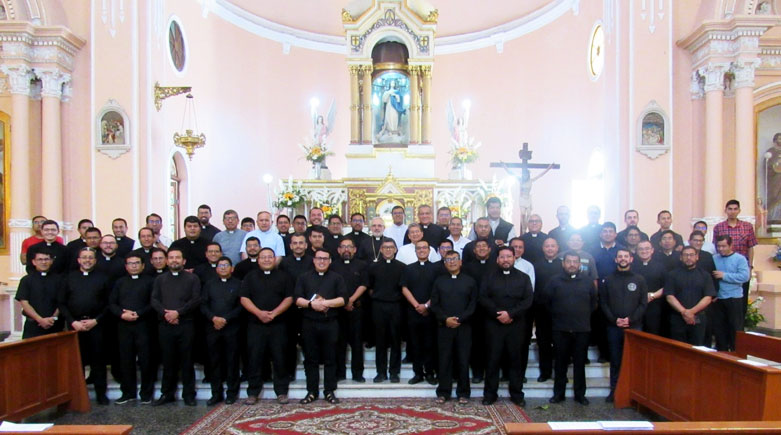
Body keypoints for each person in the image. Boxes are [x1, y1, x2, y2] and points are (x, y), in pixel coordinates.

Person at [541, 251, 597, 405]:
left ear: (579, 264)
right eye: (569, 261)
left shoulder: (587, 281)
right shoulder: (554, 281)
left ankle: (580, 395)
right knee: (560, 363)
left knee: (579, 364)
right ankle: (559, 394)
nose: (572, 264)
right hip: (560, 329)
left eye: (575, 261)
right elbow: (546, 302)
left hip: (582, 329)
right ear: (563, 263)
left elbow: (593, 303)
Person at [479, 247, 533, 406]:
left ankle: (517, 394)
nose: (505, 260)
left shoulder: (523, 278)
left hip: (516, 325)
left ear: (514, 258)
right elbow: (483, 297)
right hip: (493, 324)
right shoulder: (488, 276)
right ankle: (490, 394)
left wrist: (510, 314)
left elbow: (528, 300)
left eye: (509, 256)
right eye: (502, 257)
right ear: (497, 259)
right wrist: (498, 313)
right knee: (492, 359)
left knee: (516, 360)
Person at [294, 249, 348, 405]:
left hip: (330, 323)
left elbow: (343, 299)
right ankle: (312, 391)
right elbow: (297, 299)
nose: (322, 261)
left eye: (325, 258)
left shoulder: (337, 278)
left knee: (331, 358)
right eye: (319, 258)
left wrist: (324, 303)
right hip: (309, 323)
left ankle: (329, 391)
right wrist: (312, 305)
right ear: (314, 260)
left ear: (330, 260)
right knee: (310, 359)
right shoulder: (304, 278)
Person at [240, 248, 293, 405]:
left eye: (270, 257)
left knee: (280, 357)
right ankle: (253, 392)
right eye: (264, 257)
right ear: (258, 259)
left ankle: (281, 392)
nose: (267, 260)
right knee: (254, 358)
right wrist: (259, 313)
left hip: (279, 324)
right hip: (256, 324)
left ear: (274, 259)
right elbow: (244, 298)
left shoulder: (284, 276)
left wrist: (274, 313)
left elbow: (289, 297)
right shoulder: (250, 277)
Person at [150, 248, 201, 406]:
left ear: (183, 261)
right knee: (168, 360)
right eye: (171, 258)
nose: (174, 260)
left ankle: (189, 394)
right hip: (165, 325)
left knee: (187, 360)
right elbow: (154, 300)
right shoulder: (160, 279)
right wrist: (167, 314)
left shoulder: (193, 279)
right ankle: (167, 393)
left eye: (177, 258)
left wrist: (178, 313)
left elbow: (196, 299)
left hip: (186, 324)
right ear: (166, 261)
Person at [59, 247, 110, 405]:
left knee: (98, 361)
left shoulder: (103, 278)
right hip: (75, 325)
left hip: (96, 324)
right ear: (78, 260)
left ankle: (101, 394)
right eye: (84, 257)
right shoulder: (68, 278)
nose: (87, 260)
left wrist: (96, 320)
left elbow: (110, 303)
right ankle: (78, 394)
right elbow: (61, 303)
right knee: (77, 361)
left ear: (95, 261)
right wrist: (73, 322)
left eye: (90, 258)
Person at [430, 251, 478, 405]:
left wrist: (460, 319)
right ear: (444, 263)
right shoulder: (439, 281)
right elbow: (435, 304)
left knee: (463, 360)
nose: (451, 262)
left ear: (460, 262)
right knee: (444, 360)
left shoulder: (470, 281)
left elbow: (473, 304)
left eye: (454, 259)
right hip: (444, 327)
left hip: (465, 327)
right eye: (448, 259)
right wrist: (446, 319)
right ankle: (443, 392)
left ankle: (463, 392)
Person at [600, 248, 647, 403]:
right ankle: (615, 391)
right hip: (613, 327)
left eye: (626, 256)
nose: (623, 258)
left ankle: (634, 393)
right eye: (620, 256)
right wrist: (615, 320)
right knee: (615, 360)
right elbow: (604, 303)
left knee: (633, 361)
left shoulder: (639, 279)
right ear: (616, 259)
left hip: (634, 327)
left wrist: (630, 320)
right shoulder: (608, 279)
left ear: (631, 259)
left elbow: (643, 303)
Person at [109, 254, 155, 405]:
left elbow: (153, 301)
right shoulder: (120, 282)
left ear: (143, 265)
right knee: (126, 360)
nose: (134, 266)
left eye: (137, 263)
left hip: (144, 325)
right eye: (130, 263)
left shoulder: (150, 281)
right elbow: (112, 303)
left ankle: (146, 393)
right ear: (126, 266)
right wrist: (123, 314)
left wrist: (139, 313)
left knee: (146, 360)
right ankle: (128, 392)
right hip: (124, 325)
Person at [201, 256, 242, 405]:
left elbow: (241, 306)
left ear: (232, 268)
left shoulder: (239, 284)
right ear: (216, 268)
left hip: (232, 328)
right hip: (213, 328)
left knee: (232, 361)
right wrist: (214, 318)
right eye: (220, 265)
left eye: (226, 265)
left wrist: (226, 319)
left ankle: (232, 393)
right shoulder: (209, 284)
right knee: (214, 362)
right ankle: (216, 393)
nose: (223, 268)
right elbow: (203, 305)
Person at [401, 240, 440, 386]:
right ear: (415, 251)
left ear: (429, 251)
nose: (422, 250)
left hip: (431, 313)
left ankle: (430, 373)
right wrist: (417, 305)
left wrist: (426, 305)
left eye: (425, 248)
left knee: (430, 344)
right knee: (415, 344)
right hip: (413, 312)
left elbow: (438, 290)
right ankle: (418, 373)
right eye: (419, 248)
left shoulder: (437, 269)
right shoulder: (408, 269)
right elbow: (404, 288)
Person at [331, 238, 368, 382]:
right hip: (337, 311)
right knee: (339, 343)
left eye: (349, 247)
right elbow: (331, 286)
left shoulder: (362, 265)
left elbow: (364, 284)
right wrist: (342, 303)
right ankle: (340, 373)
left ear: (355, 249)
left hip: (356, 310)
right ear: (339, 250)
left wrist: (350, 300)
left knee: (357, 343)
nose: (346, 249)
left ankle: (358, 374)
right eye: (343, 247)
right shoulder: (333, 266)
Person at [367, 239, 405, 383]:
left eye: (391, 247)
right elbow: (369, 288)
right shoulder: (373, 267)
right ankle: (381, 372)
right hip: (378, 306)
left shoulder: (402, 267)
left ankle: (394, 372)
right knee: (380, 340)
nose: (388, 250)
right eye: (385, 248)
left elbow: (404, 288)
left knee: (396, 340)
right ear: (381, 250)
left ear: (395, 250)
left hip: (396, 306)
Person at [713, 199, 757, 317]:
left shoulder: (747, 227)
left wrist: (750, 266)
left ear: (739, 211)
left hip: (740, 266)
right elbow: (715, 247)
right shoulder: (719, 227)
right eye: (730, 209)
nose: (732, 212)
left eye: (735, 209)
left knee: (741, 303)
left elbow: (751, 247)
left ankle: (740, 329)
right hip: (723, 266)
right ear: (725, 211)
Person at [664, 246, 716, 346]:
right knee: (677, 349)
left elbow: (708, 297)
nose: (688, 258)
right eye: (685, 255)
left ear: (697, 257)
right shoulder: (672, 275)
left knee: (697, 349)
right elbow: (669, 296)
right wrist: (684, 312)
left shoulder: (705, 275)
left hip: (698, 317)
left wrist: (692, 312)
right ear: (681, 257)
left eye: (691, 255)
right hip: (677, 317)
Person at [712, 235, 750, 351]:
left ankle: (736, 352)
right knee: (719, 328)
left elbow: (744, 276)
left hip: (734, 298)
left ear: (730, 245)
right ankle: (721, 351)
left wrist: (724, 275)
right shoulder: (714, 258)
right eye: (719, 246)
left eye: (724, 246)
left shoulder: (740, 259)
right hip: (718, 298)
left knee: (735, 327)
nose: (721, 249)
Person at [532, 237, 561, 382]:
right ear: (543, 248)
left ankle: (560, 373)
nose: (550, 248)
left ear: (557, 248)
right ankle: (545, 372)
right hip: (541, 310)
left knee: (560, 342)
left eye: (553, 246)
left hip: (560, 311)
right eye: (547, 246)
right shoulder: (536, 266)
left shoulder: (563, 265)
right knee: (543, 342)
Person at [16, 249, 64, 338]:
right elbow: (24, 303)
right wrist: (40, 320)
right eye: (40, 259)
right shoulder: (26, 280)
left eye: (46, 259)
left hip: (54, 325)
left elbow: (62, 301)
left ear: (51, 261)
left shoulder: (59, 280)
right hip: (33, 325)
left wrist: (53, 318)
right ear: (34, 262)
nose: (43, 262)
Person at [633, 240, 667, 336]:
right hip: (635, 307)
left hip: (654, 306)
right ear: (636, 251)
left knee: (653, 335)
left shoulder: (660, 267)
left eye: (647, 248)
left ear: (652, 250)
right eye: (641, 249)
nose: (644, 251)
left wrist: (653, 295)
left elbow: (667, 286)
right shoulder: (632, 267)